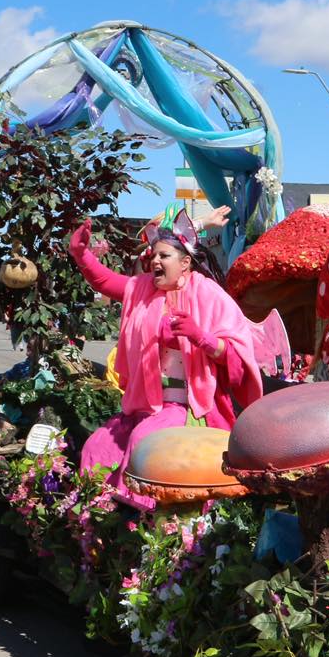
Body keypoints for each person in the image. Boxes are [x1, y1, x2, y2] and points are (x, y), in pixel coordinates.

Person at [68, 212, 263, 506]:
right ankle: (101, 521)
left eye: (164, 255)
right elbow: (106, 281)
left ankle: (144, 523)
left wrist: (203, 338)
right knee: (98, 447)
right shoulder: (143, 289)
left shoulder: (208, 293)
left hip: (187, 407)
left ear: (185, 263)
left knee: (143, 442)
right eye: (153, 256)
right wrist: (81, 254)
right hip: (143, 406)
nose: (155, 261)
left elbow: (237, 357)